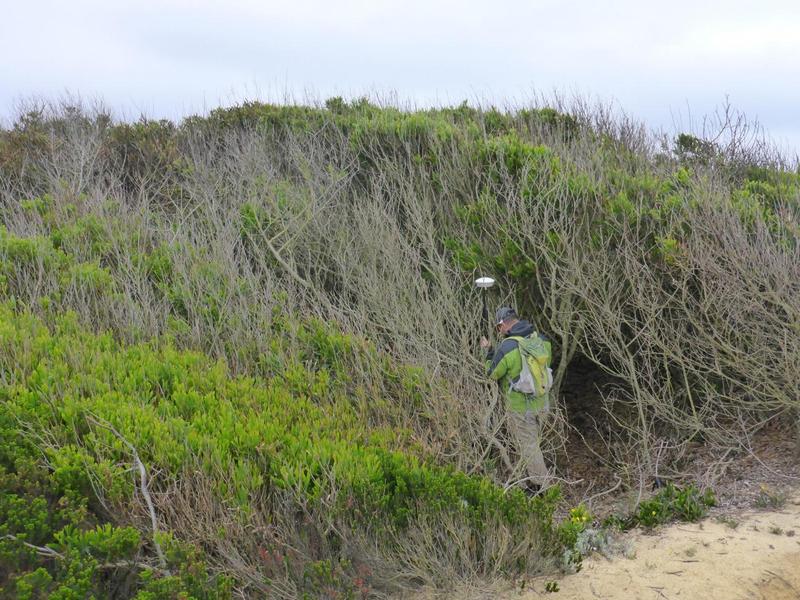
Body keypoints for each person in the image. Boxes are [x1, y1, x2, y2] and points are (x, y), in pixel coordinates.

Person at [480, 306, 550, 489]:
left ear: (503, 324)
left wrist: (488, 353)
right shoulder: (540, 339)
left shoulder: (508, 346)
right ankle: (527, 483)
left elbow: (492, 373)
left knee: (529, 448)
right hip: (542, 402)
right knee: (533, 445)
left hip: (520, 408)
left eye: (498, 327)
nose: (498, 331)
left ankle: (544, 490)